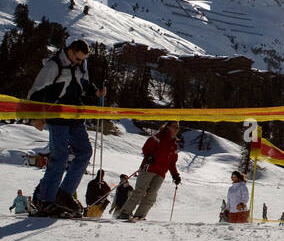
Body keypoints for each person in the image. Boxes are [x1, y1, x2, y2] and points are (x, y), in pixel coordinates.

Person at [27, 39, 106, 217]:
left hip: (75, 115)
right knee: (60, 157)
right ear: (70, 51)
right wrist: (35, 116)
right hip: (56, 116)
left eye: (83, 59)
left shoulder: (82, 65)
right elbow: (36, 92)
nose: (80, 62)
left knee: (85, 152)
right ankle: (45, 199)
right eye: (78, 59)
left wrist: (95, 92)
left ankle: (64, 194)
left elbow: (83, 85)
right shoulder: (53, 66)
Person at [120, 122, 181, 221]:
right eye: (174, 127)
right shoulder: (158, 137)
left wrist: (175, 175)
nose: (176, 129)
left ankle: (140, 215)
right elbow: (146, 148)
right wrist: (149, 157)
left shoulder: (174, 145)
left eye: (178, 128)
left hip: (161, 173)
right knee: (140, 191)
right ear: (168, 127)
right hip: (149, 168)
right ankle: (125, 212)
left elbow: (172, 163)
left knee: (152, 194)